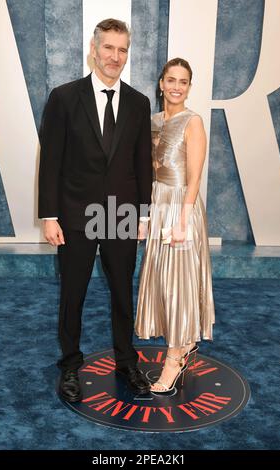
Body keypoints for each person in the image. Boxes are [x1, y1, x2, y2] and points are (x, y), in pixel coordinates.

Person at [38, 18, 152, 401]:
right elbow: (51, 160)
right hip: (75, 216)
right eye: (108, 48)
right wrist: (49, 215)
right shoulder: (64, 97)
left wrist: (145, 215)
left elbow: (142, 165)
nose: (115, 57)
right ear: (94, 48)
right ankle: (70, 365)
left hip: (121, 216)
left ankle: (127, 362)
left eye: (122, 50)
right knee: (74, 293)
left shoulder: (138, 103)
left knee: (122, 293)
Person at [135, 58, 215, 393]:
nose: (176, 87)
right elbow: (144, 170)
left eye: (183, 82)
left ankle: (174, 360)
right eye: (171, 80)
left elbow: (195, 176)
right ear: (161, 83)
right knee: (163, 279)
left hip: (182, 206)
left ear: (189, 86)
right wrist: (146, 214)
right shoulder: (152, 121)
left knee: (180, 281)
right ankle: (183, 343)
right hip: (158, 200)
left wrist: (182, 220)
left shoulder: (193, 122)